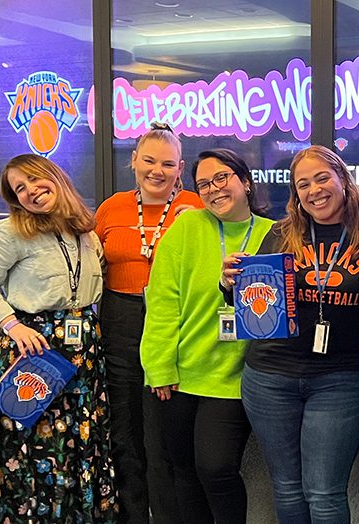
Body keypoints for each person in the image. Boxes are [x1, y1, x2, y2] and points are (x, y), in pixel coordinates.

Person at [221, 145, 359, 523]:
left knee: (324, 494)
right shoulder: (281, 232)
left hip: (339, 379)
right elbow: (253, 293)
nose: (314, 190)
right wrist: (229, 283)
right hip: (271, 376)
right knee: (287, 488)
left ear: (343, 179)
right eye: (302, 184)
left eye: (322, 178)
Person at [0, 153, 118, 522]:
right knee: (28, 445)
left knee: (77, 442)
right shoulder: (11, 232)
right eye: (20, 189)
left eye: (34, 179)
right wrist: (12, 325)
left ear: (54, 177)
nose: (31, 190)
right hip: (33, 353)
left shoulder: (87, 231)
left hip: (83, 356)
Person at [140, 149, 274, 524]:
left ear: (244, 181)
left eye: (222, 178)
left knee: (216, 469)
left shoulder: (275, 233)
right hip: (180, 375)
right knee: (183, 472)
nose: (214, 189)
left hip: (235, 378)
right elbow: (163, 301)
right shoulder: (186, 228)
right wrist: (159, 366)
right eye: (203, 184)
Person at [94, 121, 203, 523]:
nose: (158, 170)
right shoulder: (111, 208)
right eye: (149, 160)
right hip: (119, 323)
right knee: (124, 434)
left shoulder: (197, 208)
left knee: (164, 441)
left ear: (181, 168)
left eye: (168, 163)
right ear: (133, 161)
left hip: (175, 326)